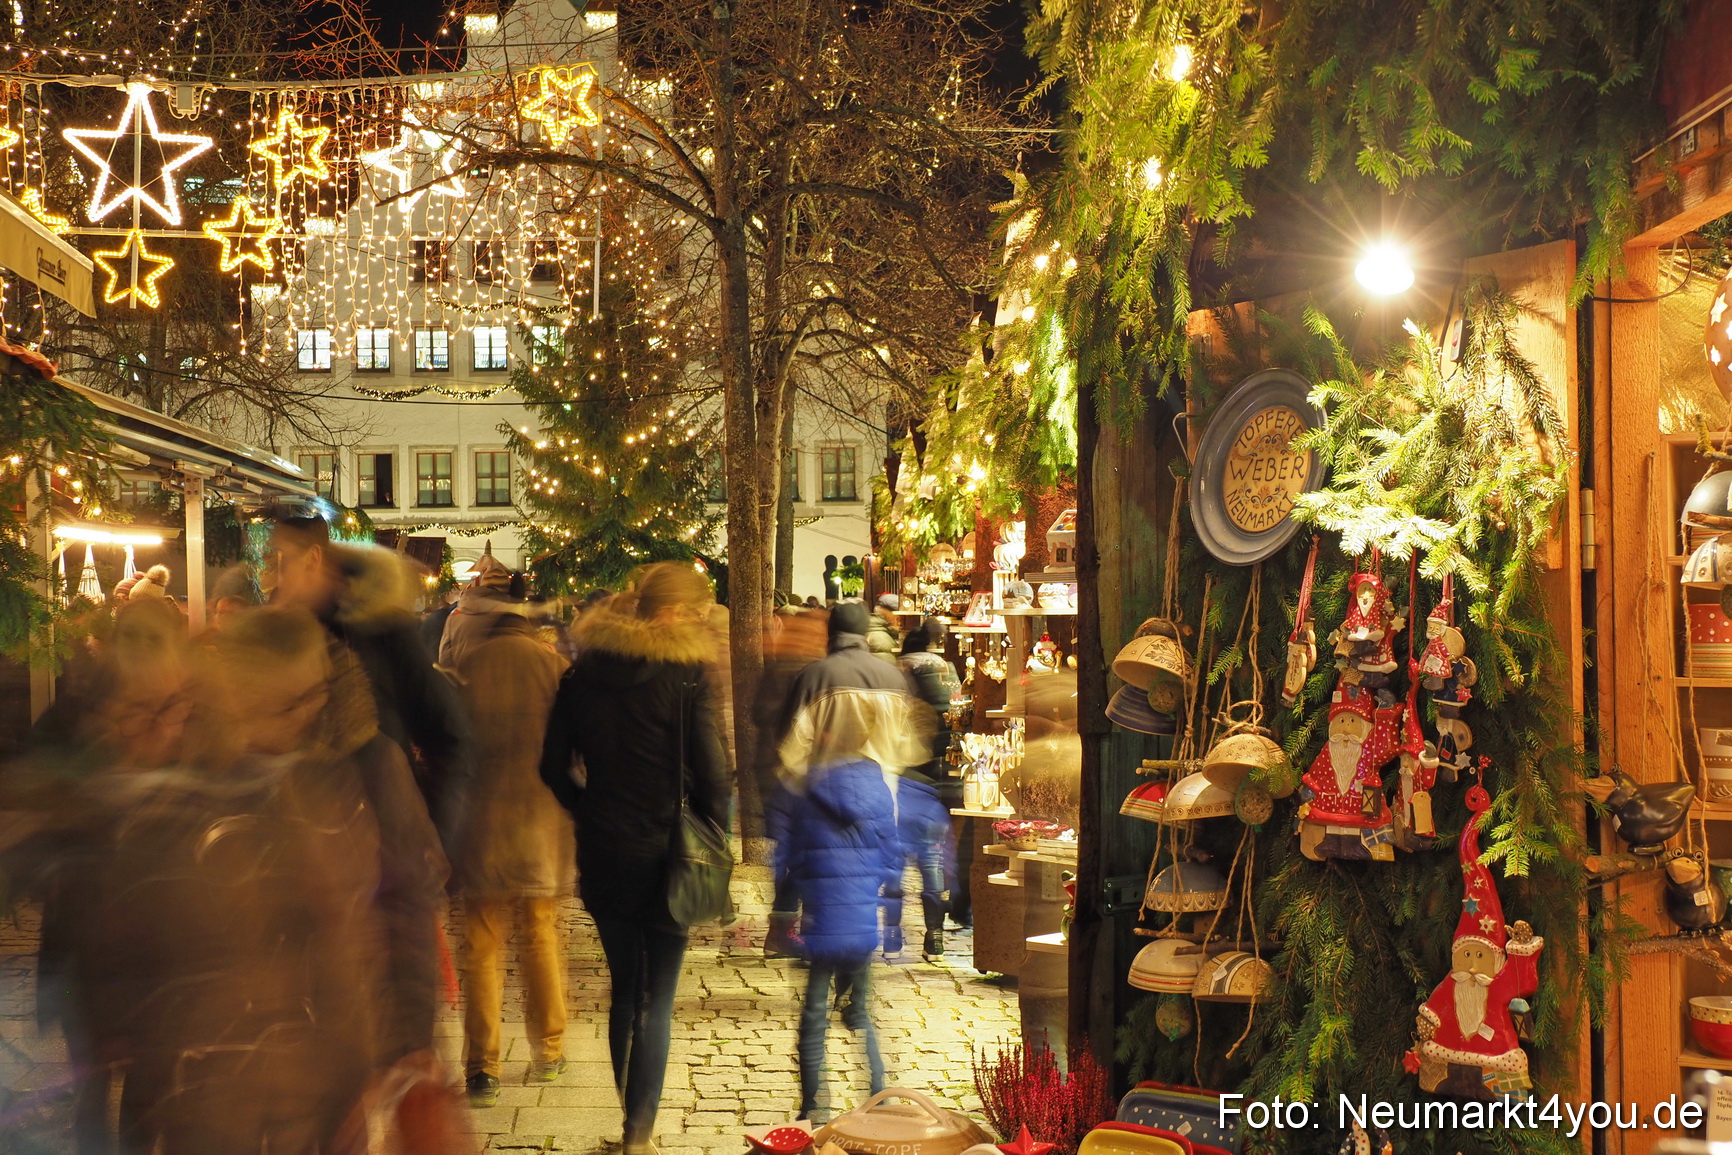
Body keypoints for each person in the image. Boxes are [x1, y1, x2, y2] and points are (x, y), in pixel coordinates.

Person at [539, 562, 731, 1155]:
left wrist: (589, 809)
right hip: (669, 851)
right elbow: (716, 776)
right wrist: (709, 827)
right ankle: (638, 1136)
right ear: (674, 612)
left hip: (603, 847)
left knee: (626, 990)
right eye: (698, 612)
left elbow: (551, 766)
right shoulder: (686, 674)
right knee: (659, 996)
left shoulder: (583, 672)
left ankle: (629, 1128)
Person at [264, 502, 470, 844]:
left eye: (278, 561)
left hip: (381, 855)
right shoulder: (274, 637)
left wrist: (426, 839)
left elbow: (450, 736)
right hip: (300, 857)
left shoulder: (380, 629)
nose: (269, 576)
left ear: (312, 559)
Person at [446, 565, 575, 1107]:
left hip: (481, 820)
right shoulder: (555, 667)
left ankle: (483, 1065)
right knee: (541, 933)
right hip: (540, 817)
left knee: (481, 942)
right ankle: (548, 1049)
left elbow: (449, 751)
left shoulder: (464, 668)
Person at [782, 755, 901, 1121]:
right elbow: (892, 859)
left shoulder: (811, 794)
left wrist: (807, 897)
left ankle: (814, 1107)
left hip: (823, 927)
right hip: (862, 925)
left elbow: (793, 860)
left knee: (815, 1018)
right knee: (861, 1014)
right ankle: (879, 1096)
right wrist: (871, 896)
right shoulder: (878, 795)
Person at [895, 619, 962, 960]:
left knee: (892, 862)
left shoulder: (901, 675)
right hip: (944, 779)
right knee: (932, 860)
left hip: (907, 780)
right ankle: (934, 936)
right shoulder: (948, 670)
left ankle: (892, 934)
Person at [867, 593, 901, 661]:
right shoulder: (879, 637)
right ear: (888, 614)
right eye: (898, 616)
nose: (900, 621)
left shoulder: (885, 633)